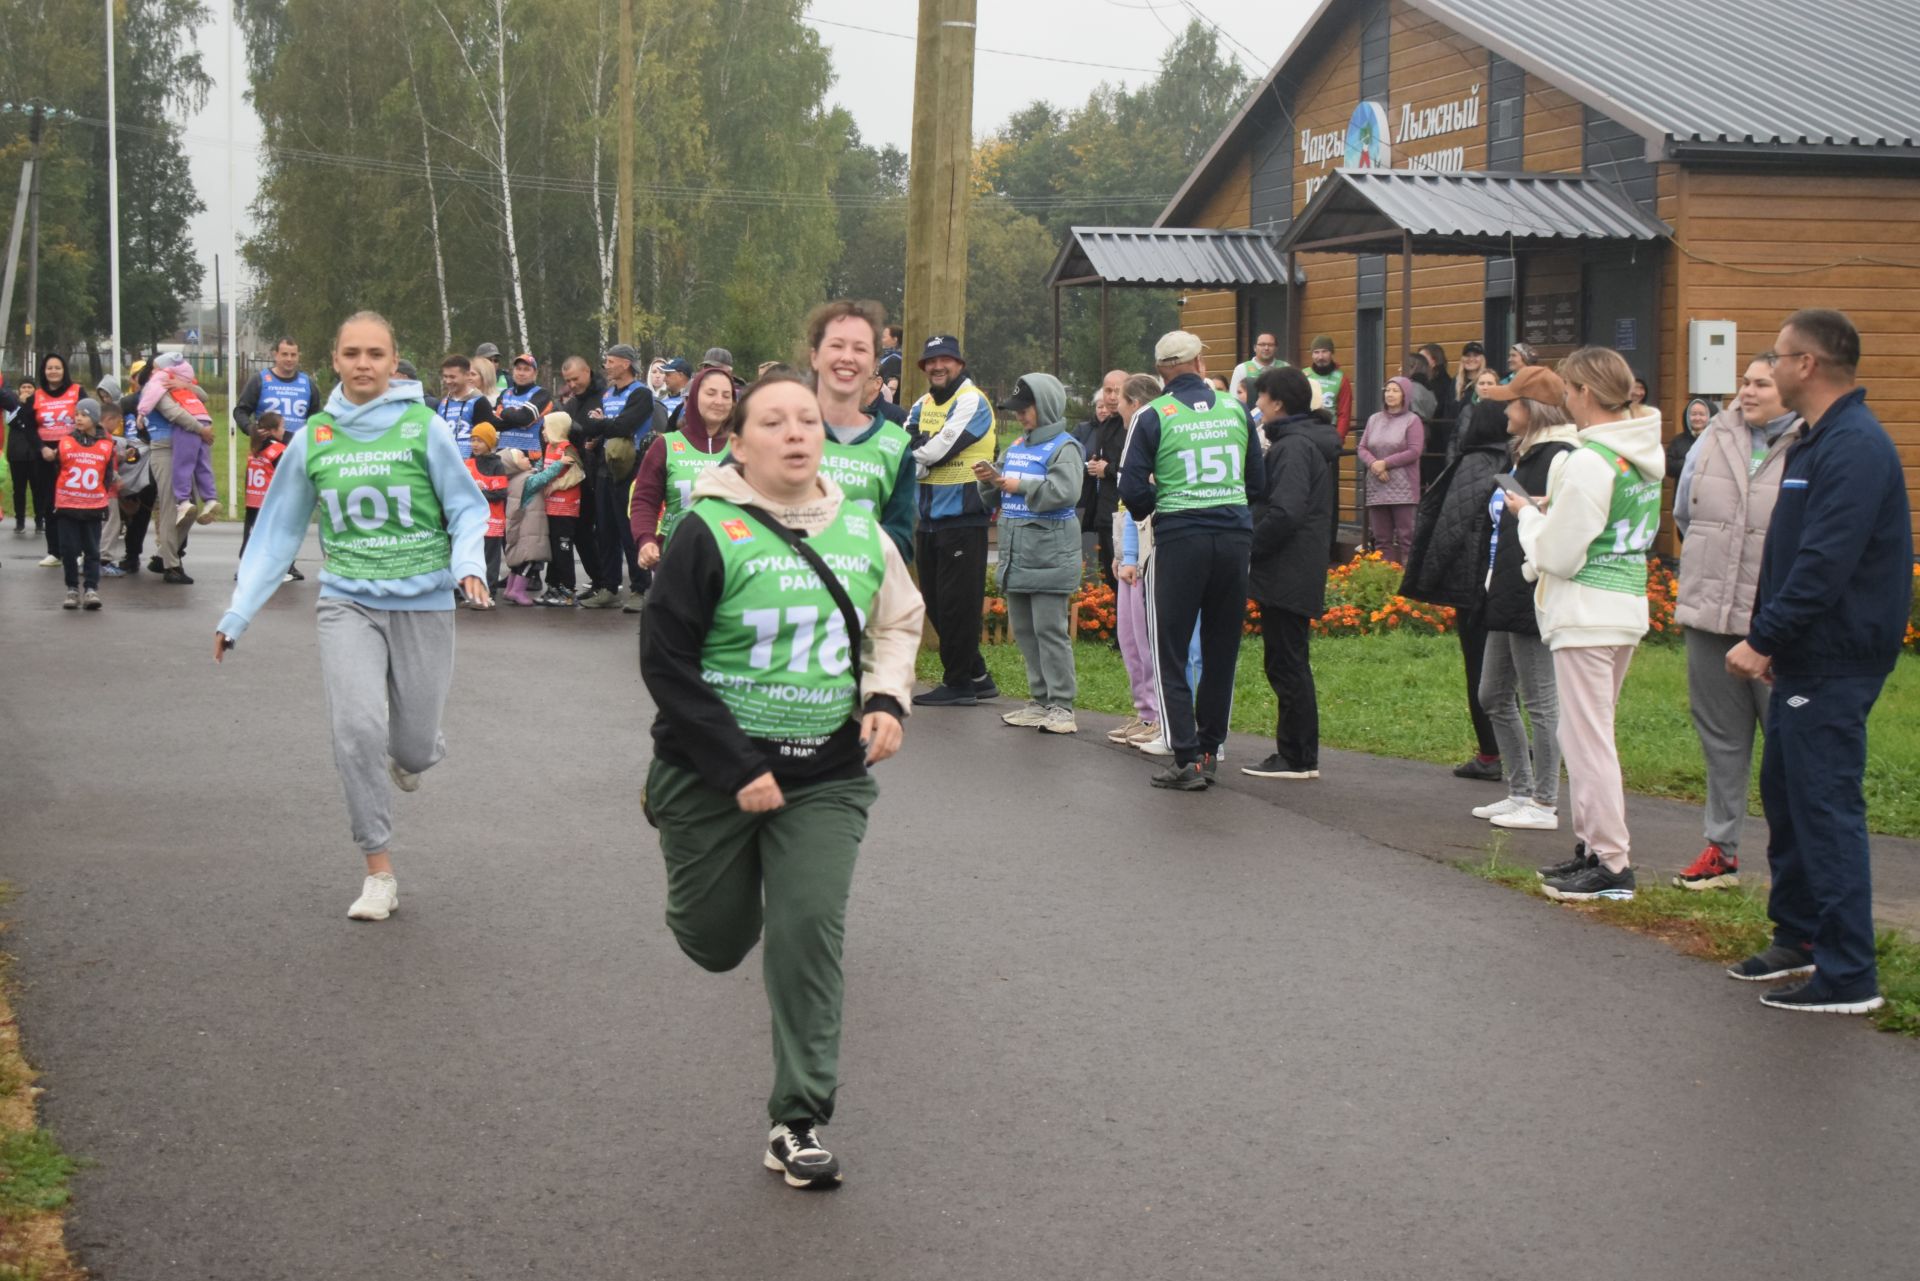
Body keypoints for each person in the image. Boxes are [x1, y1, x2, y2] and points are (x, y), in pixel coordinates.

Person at [639, 371, 923, 1191]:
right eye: (775, 421)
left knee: (807, 931)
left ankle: (797, 1119)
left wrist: (884, 698)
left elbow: (898, 620)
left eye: (808, 420)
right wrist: (735, 765)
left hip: (826, 774)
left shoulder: (863, 530)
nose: (797, 433)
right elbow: (665, 660)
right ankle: (664, 799)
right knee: (716, 942)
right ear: (739, 441)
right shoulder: (707, 530)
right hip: (712, 774)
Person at [215, 311, 490, 920]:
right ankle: (378, 870)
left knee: (414, 750)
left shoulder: (424, 428)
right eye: (351, 353)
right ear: (333, 362)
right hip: (348, 602)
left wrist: (469, 562)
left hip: (424, 603)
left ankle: (410, 752)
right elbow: (277, 529)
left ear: (394, 364)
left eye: (375, 354)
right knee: (356, 730)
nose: (363, 364)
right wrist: (237, 613)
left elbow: (467, 508)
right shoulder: (315, 436)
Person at [1723, 310, 1911, 1014]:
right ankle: (1798, 936)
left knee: (1826, 805)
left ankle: (1849, 972)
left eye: (1777, 355)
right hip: (1806, 656)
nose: (1767, 367)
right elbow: (1795, 555)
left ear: (1808, 365)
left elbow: (1825, 563)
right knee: (1791, 796)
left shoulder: (1853, 447)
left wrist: (1766, 635)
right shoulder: (1813, 440)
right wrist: (1776, 639)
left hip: (1835, 657)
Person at [1509, 349, 1664, 903]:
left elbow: (1560, 554)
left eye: (1570, 391)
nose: (1566, 400)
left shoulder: (1589, 460)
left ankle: (1612, 862)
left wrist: (1528, 516)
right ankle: (1594, 848)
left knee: (1587, 739)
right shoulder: (1640, 452)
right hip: (1622, 605)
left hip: (1585, 612)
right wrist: (1558, 510)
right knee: (1589, 733)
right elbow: (1606, 519)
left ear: (1588, 394)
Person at [1670, 356, 1802, 891]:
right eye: (1744, 382)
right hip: (1709, 614)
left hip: (1776, 623)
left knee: (1790, 743)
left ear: (1789, 389)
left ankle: (1797, 861)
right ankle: (1720, 850)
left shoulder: (1809, 443)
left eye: (1761, 384)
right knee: (1721, 738)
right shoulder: (1714, 437)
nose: (1747, 392)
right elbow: (1684, 514)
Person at [1117, 330, 1261, 791]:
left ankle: (1185, 756)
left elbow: (1132, 489)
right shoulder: (1236, 409)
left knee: (1171, 649)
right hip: (1234, 536)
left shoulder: (1152, 414)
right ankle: (1210, 749)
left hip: (1181, 536)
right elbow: (1257, 481)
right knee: (1221, 649)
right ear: (1200, 363)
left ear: (1161, 371)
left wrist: (1161, 501)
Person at [1473, 371, 1579, 830]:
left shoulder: (1561, 457)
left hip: (1535, 588)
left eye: (1512, 402)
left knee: (1540, 700)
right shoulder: (1526, 454)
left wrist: (1535, 510)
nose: (1505, 410)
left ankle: (1543, 801)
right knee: (1492, 693)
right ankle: (1519, 790)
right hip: (1508, 586)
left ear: (1533, 409)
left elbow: (1565, 521)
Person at [1401, 396, 1511, 791]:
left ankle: (1490, 753)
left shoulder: (1473, 463)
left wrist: (1426, 579)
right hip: (1511, 581)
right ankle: (1513, 748)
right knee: (1511, 673)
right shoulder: (1515, 461)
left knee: (1480, 669)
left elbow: (1451, 523)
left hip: (1474, 581)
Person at [975, 373, 1082, 734]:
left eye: (1026, 410)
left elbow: (1065, 492)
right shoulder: (1018, 445)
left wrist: (1018, 485)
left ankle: (1062, 706)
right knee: (1024, 630)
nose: (1020, 417)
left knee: (1050, 630)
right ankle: (1040, 700)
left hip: (1050, 555)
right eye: (1017, 411)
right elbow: (997, 490)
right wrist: (989, 479)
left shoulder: (1065, 447)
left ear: (1047, 406)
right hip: (1017, 554)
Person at [1243, 366, 1337, 779]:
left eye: (1260, 398)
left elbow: (1285, 511)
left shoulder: (1294, 447)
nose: (1256, 405)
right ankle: (1297, 753)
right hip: (1295, 567)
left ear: (1277, 403)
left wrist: (1250, 546)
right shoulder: (1300, 441)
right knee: (1287, 659)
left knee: (1287, 663)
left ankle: (1297, 756)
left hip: (1287, 569)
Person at [905, 334, 999, 707]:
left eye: (945, 359)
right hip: (927, 517)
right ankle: (977, 674)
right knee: (936, 603)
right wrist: (916, 457)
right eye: (930, 360)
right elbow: (903, 441)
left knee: (958, 604)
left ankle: (959, 682)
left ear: (959, 364)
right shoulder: (922, 403)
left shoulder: (972, 400)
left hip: (964, 515)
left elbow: (944, 447)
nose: (937, 366)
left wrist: (913, 460)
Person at [807, 300, 916, 560]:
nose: (847, 357)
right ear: (814, 356)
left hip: (860, 594)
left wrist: (850, 538)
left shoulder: (895, 445)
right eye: (836, 345)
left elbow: (903, 540)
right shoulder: (775, 431)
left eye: (860, 348)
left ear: (873, 363)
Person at [576, 343, 656, 608]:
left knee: (628, 529)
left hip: (630, 468)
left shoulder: (641, 394)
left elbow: (625, 425)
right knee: (606, 530)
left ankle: (641, 589)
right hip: (603, 467)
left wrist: (601, 425)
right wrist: (601, 428)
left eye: (610, 361)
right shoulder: (609, 393)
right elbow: (591, 424)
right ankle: (609, 587)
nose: (606, 366)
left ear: (625, 364)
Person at [632, 366, 734, 572]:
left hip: (732, 557)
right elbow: (644, 500)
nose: (719, 401)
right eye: (711, 393)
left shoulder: (744, 446)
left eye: (727, 395)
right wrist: (646, 539)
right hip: (676, 557)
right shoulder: (665, 445)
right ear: (694, 397)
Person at [1110, 373, 1164, 752]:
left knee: (1147, 641)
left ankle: (1160, 716)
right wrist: (1123, 555)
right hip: (1130, 551)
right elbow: (1127, 506)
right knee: (1129, 638)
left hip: (1149, 554)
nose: (1116, 408)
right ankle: (1145, 712)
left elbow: (1142, 501)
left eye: (1121, 401)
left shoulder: (1152, 436)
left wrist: (1133, 557)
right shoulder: (1133, 438)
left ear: (1136, 404)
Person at [44, 396, 117, 610]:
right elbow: (60, 470)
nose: (78, 418)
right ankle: (72, 589)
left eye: (84, 415)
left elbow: (107, 475)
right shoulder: (66, 441)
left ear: (94, 419)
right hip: (68, 505)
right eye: (76, 414)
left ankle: (92, 589)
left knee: (92, 550)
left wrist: (99, 494)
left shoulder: (106, 444)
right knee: (69, 549)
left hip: (93, 506)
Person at [138, 354, 221, 531]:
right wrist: (186, 385)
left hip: (188, 427)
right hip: (204, 419)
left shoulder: (161, 381)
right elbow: (203, 396)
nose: (153, 371)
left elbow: (172, 411)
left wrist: (141, 413)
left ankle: (183, 501)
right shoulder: (181, 380)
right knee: (202, 465)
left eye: (155, 367)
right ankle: (210, 499)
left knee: (182, 464)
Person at [20, 354, 83, 565]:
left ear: (64, 369)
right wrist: (41, 448)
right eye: (49, 368)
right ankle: (55, 552)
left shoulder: (77, 391)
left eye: (57, 367)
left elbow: (87, 421)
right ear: (43, 371)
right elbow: (28, 428)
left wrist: (70, 446)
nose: (53, 371)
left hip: (74, 454)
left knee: (76, 501)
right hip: (45, 455)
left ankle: (79, 550)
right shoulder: (34, 397)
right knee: (50, 502)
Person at [1356, 376, 1425, 567]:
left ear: (1405, 395)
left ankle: (1407, 584)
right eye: (1387, 390)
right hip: (1377, 485)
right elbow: (1362, 448)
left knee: (1407, 537)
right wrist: (1375, 465)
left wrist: (1385, 463)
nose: (1390, 394)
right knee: (1381, 539)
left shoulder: (1412, 420)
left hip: (1403, 488)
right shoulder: (1374, 419)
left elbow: (1414, 451)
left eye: (1395, 390)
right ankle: (1384, 579)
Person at [1075, 369, 1127, 586]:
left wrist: (1108, 469)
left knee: (1126, 577)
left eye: (1118, 390)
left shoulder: (1134, 422)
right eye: (1108, 391)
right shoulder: (1105, 425)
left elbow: (1139, 468)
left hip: (1127, 514)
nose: (1113, 397)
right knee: (1110, 577)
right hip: (1105, 513)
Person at [235, 337, 318, 439]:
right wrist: (250, 429)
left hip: (298, 450)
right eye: (284, 354)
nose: (289, 359)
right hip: (267, 450)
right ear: (276, 355)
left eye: (293, 355)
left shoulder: (308, 383)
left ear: (298, 356)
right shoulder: (260, 380)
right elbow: (240, 411)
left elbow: (317, 418)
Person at [465, 421, 510, 596]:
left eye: (480, 440)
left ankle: (489, 592)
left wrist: (478, 493)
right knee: (473, 556)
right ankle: (471, 590)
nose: (475, 444)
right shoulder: (468, 463)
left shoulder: (497, 465)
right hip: (473, 519)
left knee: (491, 558)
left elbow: (500, 493)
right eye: (473, 439)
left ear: (490, 443)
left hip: (493, 520)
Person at [239, 411, 288, 561]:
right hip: (270, 501)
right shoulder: (278, 449)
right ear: (273, 431)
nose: (284, 430)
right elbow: (286, 476)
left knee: (252, 534)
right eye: (282, 427)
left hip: (253, 499)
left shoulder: (255, 448)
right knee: (272, 537)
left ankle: (246, 564)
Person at [436, 354, 498, 459]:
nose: (448, 381)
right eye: (445, 376)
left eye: (452, 377)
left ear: (467, 375)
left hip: (470, 464)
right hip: (445, 461)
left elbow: (486, 439)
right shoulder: (443, 402)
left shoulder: (479, 401)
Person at [1304, 335, 1353, 440]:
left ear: (1331, 353)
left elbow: (1344, 414)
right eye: (1316, 352)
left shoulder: (1341, 379)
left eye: (1324, 351)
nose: (1320, 357)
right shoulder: (1303, 375)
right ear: (1312, 355)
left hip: (1330, 430)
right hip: (1306, 429)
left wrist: (1338, 438)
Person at [1230, 332, 1285, 398]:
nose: (1266, 348)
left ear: (1276, 348)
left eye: (1270, 345)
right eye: (1262, 344)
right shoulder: (1242, 369)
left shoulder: (1285, 368)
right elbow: (1234, 397)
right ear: (1255, 348)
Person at [657, 356, 691, 423]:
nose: (664, 379)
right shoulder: (660, 400)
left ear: (680, 376)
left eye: (668, 375)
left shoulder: (693, 402)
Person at [1456, 341, 1488, 408]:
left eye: (1475, 355)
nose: (1471, 359)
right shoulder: (1455, 381)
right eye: (1467, 355)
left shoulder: (1486, 381)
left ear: (1482, 359)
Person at [877, 323, 903, 403]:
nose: (881, 340)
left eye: (884, 337)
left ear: (895, 339)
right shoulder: (884, 357)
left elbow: (892, 386)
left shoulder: (895, 359)